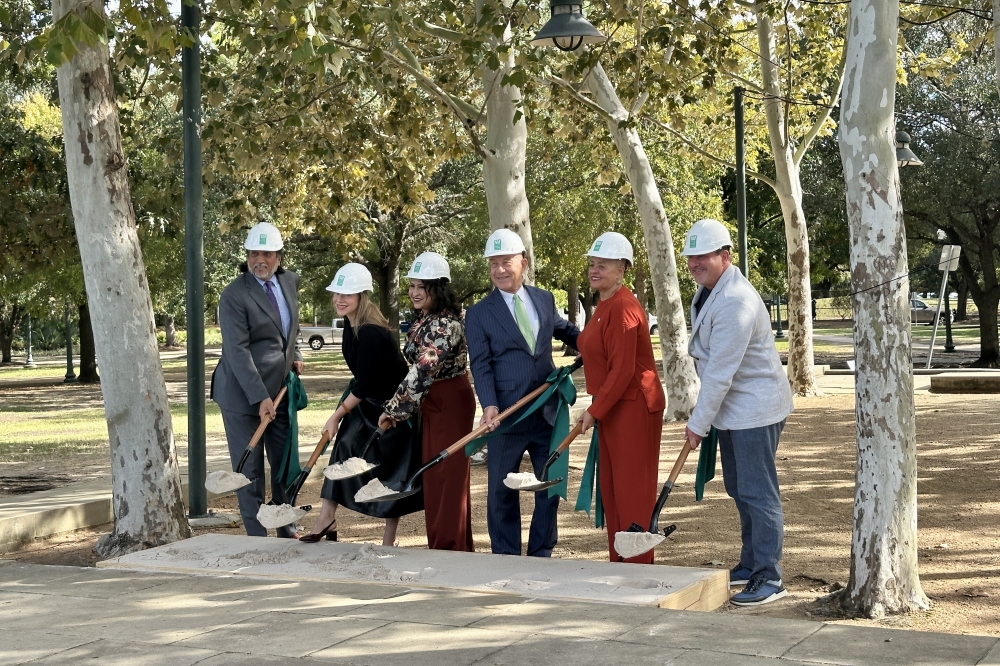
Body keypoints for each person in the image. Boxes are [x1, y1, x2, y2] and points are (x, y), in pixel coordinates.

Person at [681, 218, 794, 606]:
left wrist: (697, 424)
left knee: (757, 492)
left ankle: (769, 577)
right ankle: (750, 563)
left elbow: (720, 374)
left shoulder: (735, 301)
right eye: (691, 257)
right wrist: (704, 417)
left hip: (754, 409)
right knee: (739, 488)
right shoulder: (709, 290)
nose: (695, 263)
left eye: (704, 256)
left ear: (725, 256)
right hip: (734, 409)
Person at [465, 229, 580, 557]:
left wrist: (593, 344)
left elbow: (564, 330)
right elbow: (481, 365)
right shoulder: (479, 313)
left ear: (523, 263)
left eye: (506, 262)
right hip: (505, 415)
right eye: (493, 264)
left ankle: (542, 553)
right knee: (502, 491)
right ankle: (506, 557)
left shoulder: (544, 299)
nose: (499, 270)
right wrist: (488, 405)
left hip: (546, 411)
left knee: (550, 486)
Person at [300, 263, 423, 545]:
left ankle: (389, 537)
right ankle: (326, 519)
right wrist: (342, 414)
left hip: (395, 408)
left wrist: (337, 414)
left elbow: (366, 382)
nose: (340, 300)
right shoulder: (349, 325)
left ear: (361, 297)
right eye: (337, 294)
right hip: (368, 402)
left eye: (348, 294)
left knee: (393, 468)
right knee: (343, 447)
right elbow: (362, 383)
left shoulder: (370, 332)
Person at [574, 232, 665, 564]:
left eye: (604, 265)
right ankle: (621, 565)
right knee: (612, 492)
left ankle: (638, 567)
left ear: (622, 269)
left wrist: (594, 410)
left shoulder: (624, 307)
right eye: (593, 264)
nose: (595, 270)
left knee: (631, 492)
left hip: (634, 407)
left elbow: (624, 370)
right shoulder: (603, 305)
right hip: (613, 406)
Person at [211, 222, 304, 539]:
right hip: (242, 396)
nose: (259, 260)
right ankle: (257, 538)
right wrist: (259, 397)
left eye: (266, 253)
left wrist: (297, 354)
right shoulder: (234, 295)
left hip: (279, 392)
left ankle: (284, 523)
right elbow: (236, 351)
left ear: (279, 256)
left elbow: (291, 327)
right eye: (253, 253)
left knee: (283, 463)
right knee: (248, 472)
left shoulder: (289, 282)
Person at [378, 252, 476, 552]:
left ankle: (450, 549)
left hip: (450, 402)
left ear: (439, 288)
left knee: (447, 478)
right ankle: (442, 545)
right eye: (412, 286)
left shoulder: (446, 324)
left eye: (423, 286)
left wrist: (393, 410)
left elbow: (423, 369)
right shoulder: (424, 319)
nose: (414, 292)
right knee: (434, 478)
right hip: (432, 401)